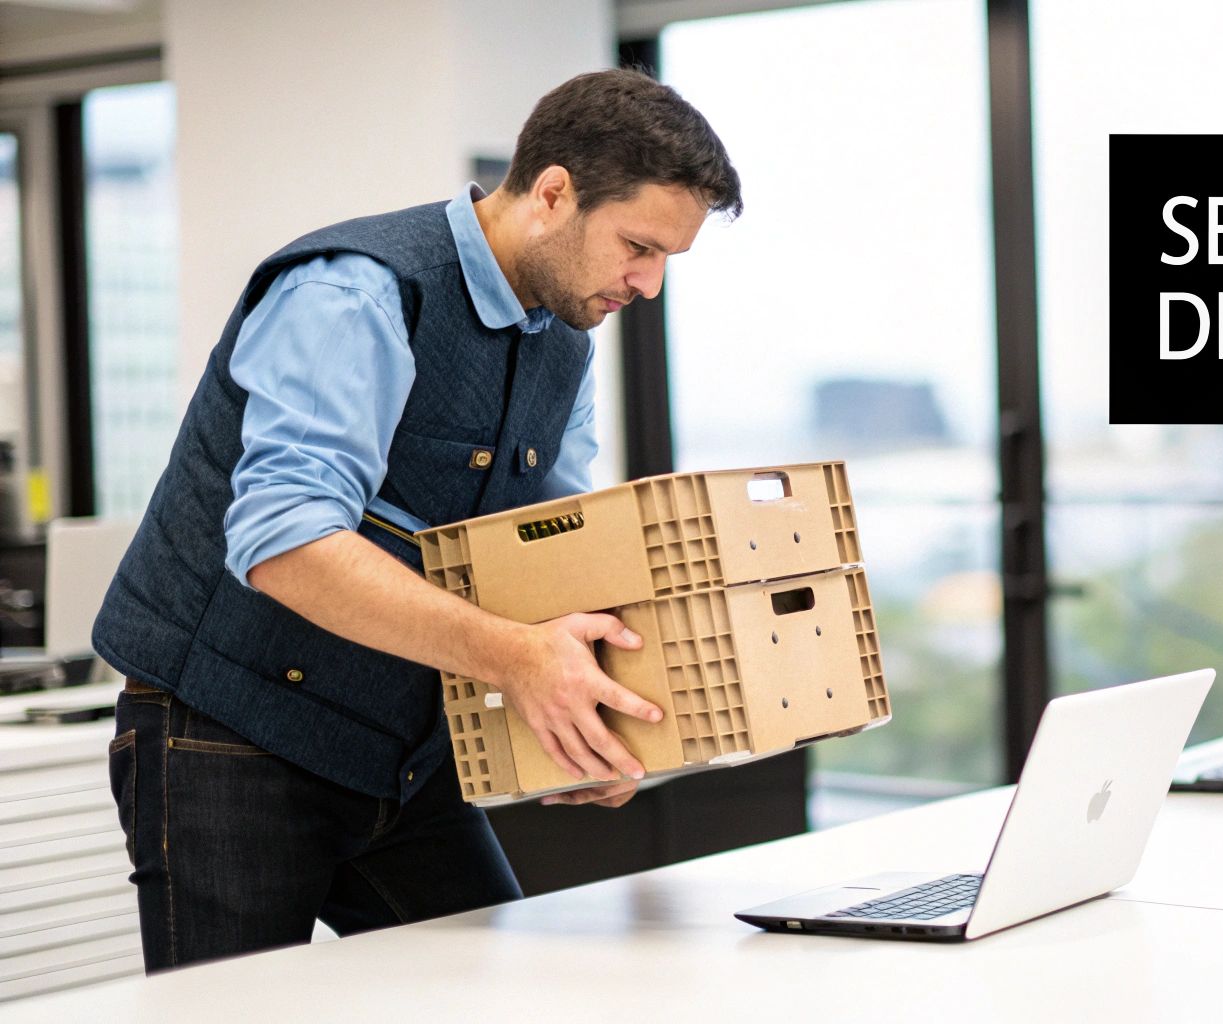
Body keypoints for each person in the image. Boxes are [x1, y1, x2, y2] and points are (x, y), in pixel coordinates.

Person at [92, 68, 741, 972]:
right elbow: (285, 542)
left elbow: (547, 559)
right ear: (553, 192)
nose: (650, 284)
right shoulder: (357, 292)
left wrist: (598, 717)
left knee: (488, 990)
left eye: (669, 257)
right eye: (639, 246)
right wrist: (519, 661)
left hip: (400, 746)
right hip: (226, 734)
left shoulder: (563, 342)